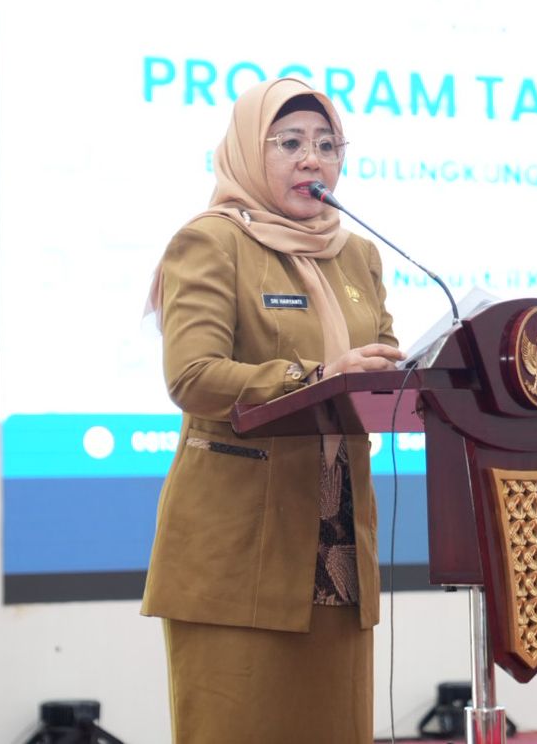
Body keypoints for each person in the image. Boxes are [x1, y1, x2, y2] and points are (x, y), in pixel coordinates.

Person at [142, 76, 405, 743]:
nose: (312, 158)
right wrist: (315, 377)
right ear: (247, 152)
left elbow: (380, 360)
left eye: (327, 144)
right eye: (289, 143)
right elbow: (194, 376)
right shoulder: (211, 242)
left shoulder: (359, 256)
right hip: (239, 553)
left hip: (337, 551)